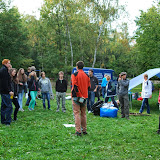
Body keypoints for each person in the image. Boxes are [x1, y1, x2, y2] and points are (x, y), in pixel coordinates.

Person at [71, 61, 90, 136]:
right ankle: (84, 130)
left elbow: (75, 86)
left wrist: (79, 95)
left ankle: (78, 131)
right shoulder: (87, 75)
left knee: (76, 113)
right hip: (84, 97)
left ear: (77, 66)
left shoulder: (74, 74)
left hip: (77, 96)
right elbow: (89, 86)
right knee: (83, 114)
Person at [0, 59, 14, 125]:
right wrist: (9, 91)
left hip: (3, 91)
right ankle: (7, 121)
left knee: (3, 106)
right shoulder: (4, 71)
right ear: (5, 63)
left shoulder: (5, 70)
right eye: (8, 63)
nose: (9, 64)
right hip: (5, 91)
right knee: (9, 106)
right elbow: (4, 82)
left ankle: (3, 120)